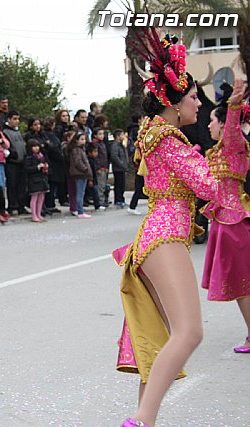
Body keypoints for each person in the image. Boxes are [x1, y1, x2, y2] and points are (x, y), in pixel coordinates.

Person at [113, 30, 230, 427]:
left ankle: (144, 420)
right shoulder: (168, 140)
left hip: (160, 236)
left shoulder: (161, 137)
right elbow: (209, 185)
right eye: (194, 96)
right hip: (164, 238)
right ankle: (142, 421)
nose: (199, 101)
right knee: (190, 333)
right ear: (174, 104)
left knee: (165, 339)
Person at [201, 78, 250, 354]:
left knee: (243, 286)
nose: (209, 125)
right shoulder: (216, 152)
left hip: (234, 225)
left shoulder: (233, 145)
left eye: (212, 121)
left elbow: (233, 128)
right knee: (243, 285)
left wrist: (233, 107)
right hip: (225, 223)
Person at [4, 110, 28, 215]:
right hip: (12, 162)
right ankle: (12, 206)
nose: (16, 121)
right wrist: (11, 155)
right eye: (14, 119)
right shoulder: (5, 132)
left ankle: (21, 206)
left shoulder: (18, 132)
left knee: (21, 185)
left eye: (18, 119)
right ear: (8, 119)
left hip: (21, 162)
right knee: (12, 185)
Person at [67, 133, 92, 219]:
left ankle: (80, 209)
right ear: (76, 140)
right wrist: (85, 169)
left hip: (81, 173)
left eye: (84, 139)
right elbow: (78, 162)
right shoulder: (76, 150)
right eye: (81, 139)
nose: (83, 141)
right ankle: (80, 211)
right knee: (80, 193)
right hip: (80, 173)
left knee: (81, 192)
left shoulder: (81, 149)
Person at [25, 139, 49, 222]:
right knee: (34, 197)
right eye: (34, 146)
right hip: (34, 179)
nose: (36, 148)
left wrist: (45, 166)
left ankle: (39, 214)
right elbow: (27, 169)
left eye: (37, 146)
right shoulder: (29, 157)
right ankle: (34, 215)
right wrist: (37, 167)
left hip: (42, 178)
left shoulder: (41, 156)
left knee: (41, 197)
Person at [110, 129, 129, 208]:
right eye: (122, 135)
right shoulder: (115, 145)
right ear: (117, 136)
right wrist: (121, 164)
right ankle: (118, 199)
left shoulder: (121, 145)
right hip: (118, 168)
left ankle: (121, 199)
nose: (123, 136)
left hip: (122, 168)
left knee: (122, 185)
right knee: (118, 184)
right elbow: (114, 156)